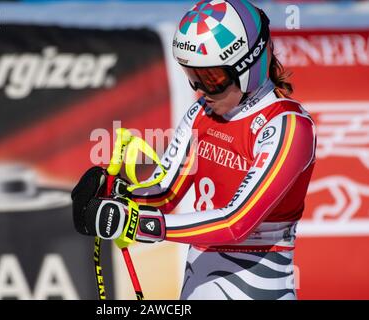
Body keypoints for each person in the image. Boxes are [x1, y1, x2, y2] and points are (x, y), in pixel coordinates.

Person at [71, 0, 316, 300]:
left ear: (248, 66)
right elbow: (164, 193)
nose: (200, 89)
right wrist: (118, 195)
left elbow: (235, 222)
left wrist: (135, 223)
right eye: (193, 76)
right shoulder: (201, 113)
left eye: (211, 78)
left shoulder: (288, 126)